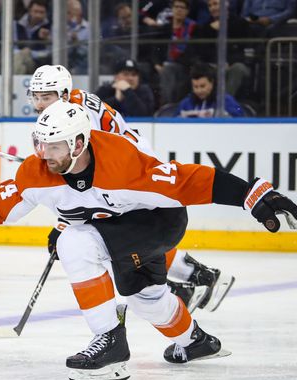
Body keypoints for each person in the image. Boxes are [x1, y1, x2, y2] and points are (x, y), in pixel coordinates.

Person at [0, 99, 297, 380]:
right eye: (41, 143)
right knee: (147, 298)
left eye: (54, 145)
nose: (44, 153)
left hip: (158, 224)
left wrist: (254, 195)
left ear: (80, 143)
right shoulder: (37, 172)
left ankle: (111, 344)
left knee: (75, 242)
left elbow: (193, 180)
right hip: (116, 230)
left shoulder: (124, 164)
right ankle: (195, 342)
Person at [28, 64, 235, 313]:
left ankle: (179, 291)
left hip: (131, 175)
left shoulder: (76, 115)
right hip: (127, 169)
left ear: (62, 94)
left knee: (107, 242)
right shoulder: (71, 104)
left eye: (46, 97)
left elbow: (85, 177)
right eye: (36, 96)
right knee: (121, 240)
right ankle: (200, 276)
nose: (39, 104)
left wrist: (64, 223)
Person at [174, 63, 245, 117]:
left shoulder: (226, 100)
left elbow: (239, 112)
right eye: (195, 87)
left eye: (202, 86)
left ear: (212, 83)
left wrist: (227, 115)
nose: (199, 90)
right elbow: (174, 121)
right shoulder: (186, 103)